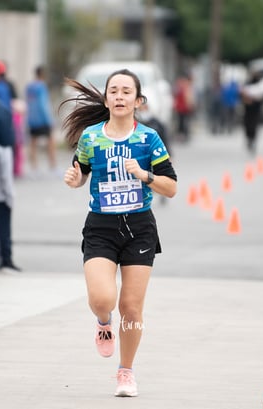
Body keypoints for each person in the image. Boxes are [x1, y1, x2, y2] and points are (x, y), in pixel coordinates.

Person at [61, 69, 177, 397]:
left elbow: (171, 188)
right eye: (114, 91)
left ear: (138, 100)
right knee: (103, 300)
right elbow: (80, 172)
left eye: (127, 91)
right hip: (101, 226)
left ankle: (125, 372)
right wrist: (75, 179)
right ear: (107, 98)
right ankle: (102, 322)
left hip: (139, 226)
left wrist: (145, 175)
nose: (120, 96)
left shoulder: (149, 139)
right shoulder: (90, 137)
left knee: (131, 306)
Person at [0, 97, 21, 274]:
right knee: (3, 224)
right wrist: (10, 195)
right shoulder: (1, 109)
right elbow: (5, 170)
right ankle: (6, 259)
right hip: (0, 193)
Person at [25, 65, 57, 175]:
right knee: (51, 141)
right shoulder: (41, 86)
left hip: (32, 119)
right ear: (42, 74)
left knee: (33, 143)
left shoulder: (29, 87)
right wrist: (50, 120)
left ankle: (34, 168)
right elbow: (43, 104)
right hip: (42, 119)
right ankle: (53, 166)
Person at [240, 71, 263, 154]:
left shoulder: (260, 84)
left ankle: (252, 141)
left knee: (254, 126)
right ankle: (249, 140)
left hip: (256, 110)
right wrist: (246, 99)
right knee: (247, 126)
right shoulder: (248, 83)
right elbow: (241, 94)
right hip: (248, 110)